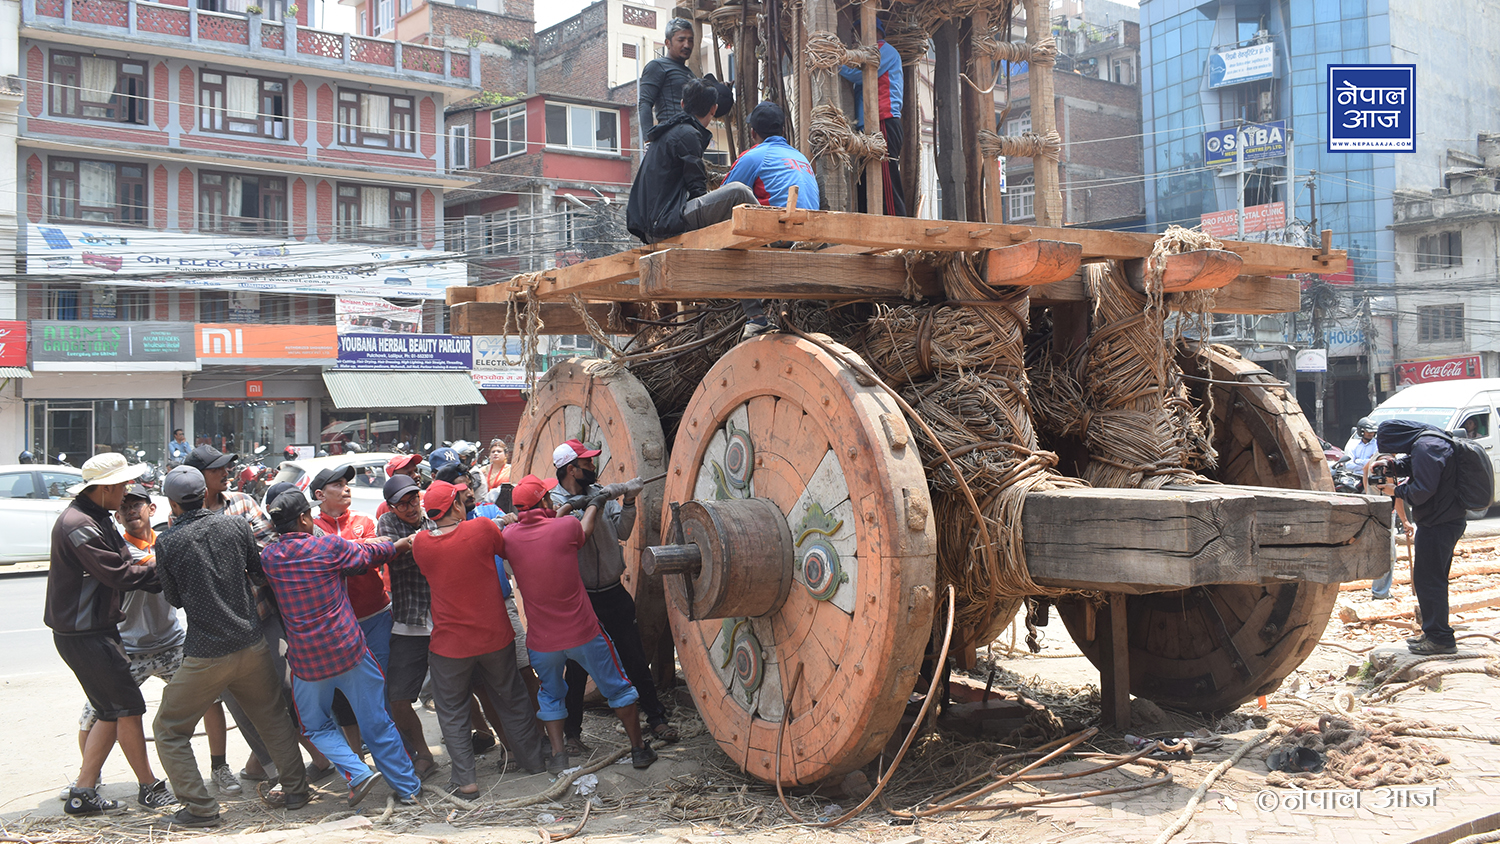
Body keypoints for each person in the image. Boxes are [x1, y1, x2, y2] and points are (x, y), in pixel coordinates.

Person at [151, 466, 309, 828]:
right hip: (251, 641)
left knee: (169, 729)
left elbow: (173, 599)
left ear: (173, 503)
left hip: (207, 651)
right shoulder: (235, 526)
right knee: (273, 717)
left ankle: (201, 808)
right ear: (203, 493)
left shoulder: (169, 542)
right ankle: (297, 789)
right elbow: (257, 572)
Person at [69, 486, 233, 801]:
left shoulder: (167, 542)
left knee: (212, 699)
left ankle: (219, 767)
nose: (132, 512)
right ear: (117, 515)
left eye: (138, 506)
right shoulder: (117, 550)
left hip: (171, 642)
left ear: (152, 510)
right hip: (129, 648)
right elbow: (142, 565)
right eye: (125, 508)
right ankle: (88, 776)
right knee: (95, 714)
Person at [261, 490, 421, 807]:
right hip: (349, 650)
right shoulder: (328, 547)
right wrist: (400, 544)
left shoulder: (270, 558)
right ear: (305, 518)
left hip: (307, 662)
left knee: (315, 727)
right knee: (376, 721)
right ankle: (408, 790)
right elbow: (370, 555)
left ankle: (356, 772)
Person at [185, 444, 329, 786]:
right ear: (197, 478)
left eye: (226, 467)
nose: (226, 472)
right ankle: (276, 770)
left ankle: (320, 759)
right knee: (242, 702)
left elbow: (268, 552)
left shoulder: (243, 503)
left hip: (263, 615)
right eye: (217, 469)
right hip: (222, 627)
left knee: (286, 688)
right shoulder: (184, 518)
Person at [45, 453, 174, 816]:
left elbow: (128, 564)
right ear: (103, 489)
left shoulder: (96, 517)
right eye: (120, 487)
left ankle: (83, 792)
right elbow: (119, 574)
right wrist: (169, 576)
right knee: (127, 707)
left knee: (109, 710)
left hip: (95, 628)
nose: (125, 494)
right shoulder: (79, 524)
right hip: (84, 633)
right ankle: (148, 787)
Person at [505, 473, 656, 772]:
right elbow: (584, 528)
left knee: (549, 694)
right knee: (618, 687)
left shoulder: (509, 537)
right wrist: (597, 501)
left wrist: (556, 511)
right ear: (546, 500)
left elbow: (539, 529)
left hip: (542, 642)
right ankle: (639, 749)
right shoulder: (565, 529)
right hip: (583, 632)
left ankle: (559, 756)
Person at [411, 480, 549, 794]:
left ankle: (466, 780)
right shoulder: (482, 529)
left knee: (452, 710)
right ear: (457, 505)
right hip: (494, 636)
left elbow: (427, 546)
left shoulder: (421, 544)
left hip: (450, 645)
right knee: (512, 698)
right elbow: (504, 546)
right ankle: (534, 761)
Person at [549, 441, 672, 754]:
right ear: (569, 469)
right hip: (582, 598)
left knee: (634, 656)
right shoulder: (553, 502)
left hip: (614, 592)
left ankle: (656, 718)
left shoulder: (600, 490)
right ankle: (573, 734)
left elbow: (623, 531)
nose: (593, 467)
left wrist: (628, 502)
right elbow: (575, 535)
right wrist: (595, 502)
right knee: (576, 669)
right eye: (586, 463)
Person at [723, 100, 822, 338]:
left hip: (783, 235)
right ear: (783, 131)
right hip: (813, 236)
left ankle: (756, 319)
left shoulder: (754, 156)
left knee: (731, 247)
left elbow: (725, 195)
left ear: (753, 132)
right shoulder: (801, 158)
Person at [310, 465, 392, 754]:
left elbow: (371, 557)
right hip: (339, 626)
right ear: (320, 495)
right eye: (338, 484)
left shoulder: (363, 520)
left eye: (347, 483)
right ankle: (358, 753)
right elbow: (362, 554)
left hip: (377, 616)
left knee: (381, 685)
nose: (347, 488)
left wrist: (353, 549)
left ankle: (388, 748)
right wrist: (361, 547)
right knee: (344, 695)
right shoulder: (311, 528)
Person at [1372, 420, 1467, 655]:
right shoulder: (1429, 440)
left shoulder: (1427, 446)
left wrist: (1395, 491)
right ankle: (1433, 631)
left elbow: (1423, 490)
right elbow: (1417, 465)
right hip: (1442, 520)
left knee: (1429, 580)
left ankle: (1440, 638)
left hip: (1439, 523)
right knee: (1432, 579)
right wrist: (1392, 466)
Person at [627, 79, 755, 246]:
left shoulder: (670, 131)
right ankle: (777, 236)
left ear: (682, 104)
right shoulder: (688, 135)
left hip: (655, 225)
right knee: (739, 192)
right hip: (664, 225)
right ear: (714, 108)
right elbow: (698, 189)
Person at [374, 475, 439, 779]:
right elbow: (394, 557)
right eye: (403, 503)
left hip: (444, 620)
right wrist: (421, 544)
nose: (411, 506)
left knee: (470, 688)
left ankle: (484, 736)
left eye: (414, 499)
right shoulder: (387, 523)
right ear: (391, 507)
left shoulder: (434, 516)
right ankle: (423, 755)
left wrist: (417, 544)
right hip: (408, 623)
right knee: (398, 698)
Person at [839, 17, 907, 216]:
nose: (854, 38)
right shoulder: (874, 54)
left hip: (883, 121)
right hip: (871, 124)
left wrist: (836, 61)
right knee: (867, 180)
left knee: (886, 179)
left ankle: (896, 228)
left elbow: (858, 75)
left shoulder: (884, 51)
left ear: (870, 31)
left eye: (856, 32)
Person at [637, 18, 697, 149]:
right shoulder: (657, 66)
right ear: (668, 43)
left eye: (690, 40)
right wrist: (648, 141)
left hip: (690, 140)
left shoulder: (690, 74)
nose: (687, 45)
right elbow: (645, 103)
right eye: (681, 40)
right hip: (669, 139)